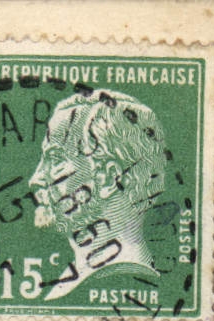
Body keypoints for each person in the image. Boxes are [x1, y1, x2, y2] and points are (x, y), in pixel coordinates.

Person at [28, 88, 169, 299]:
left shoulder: (121, 278)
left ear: (109, 178)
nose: (35, 179)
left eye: (55, 159)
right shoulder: (76, 279)